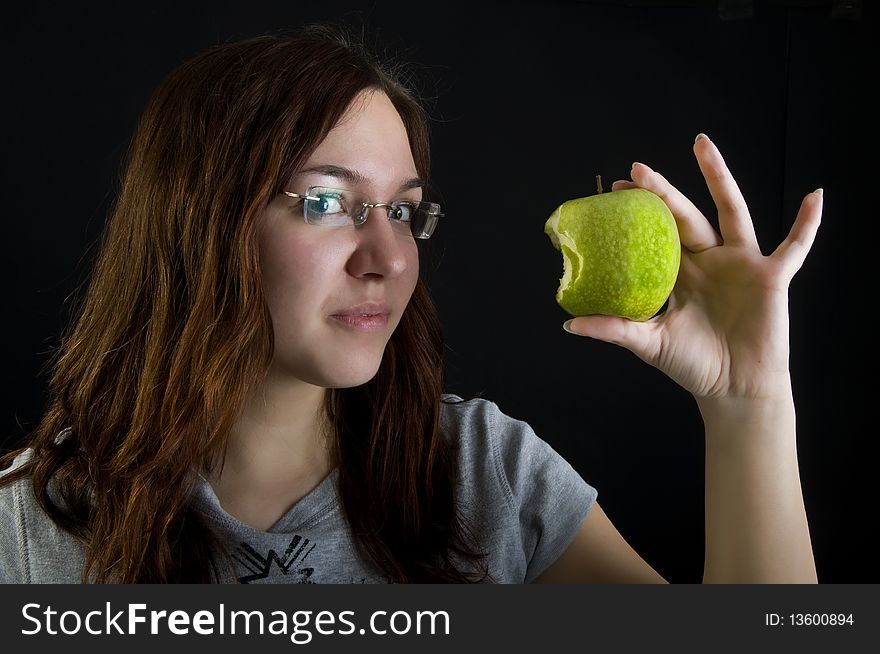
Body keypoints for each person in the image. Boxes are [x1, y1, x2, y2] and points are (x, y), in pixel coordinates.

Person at [0, 23, 820, 584]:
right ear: (196, 221)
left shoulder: (484, 475)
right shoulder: (33, 522)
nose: (389, 258)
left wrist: (748, 403)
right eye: (327, 202)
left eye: (402, 209)